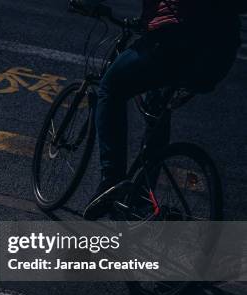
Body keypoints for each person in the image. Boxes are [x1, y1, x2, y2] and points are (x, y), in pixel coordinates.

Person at [81, 0, 241, 220]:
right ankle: (142, 196)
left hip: (176, 40)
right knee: (157, 107)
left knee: (111, 87)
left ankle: (111, 180)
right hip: (218, 57)